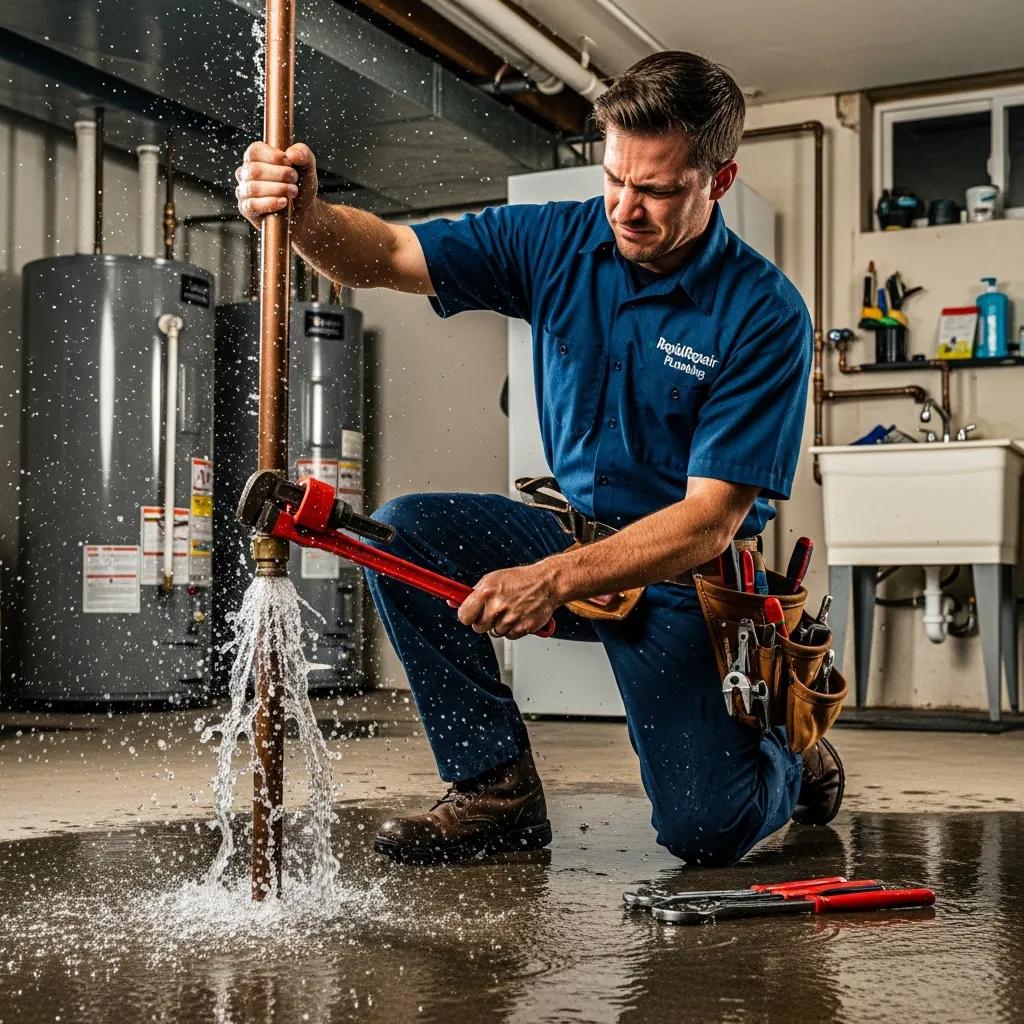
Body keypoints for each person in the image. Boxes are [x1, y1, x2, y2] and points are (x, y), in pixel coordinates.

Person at [235, 50, 843, 867]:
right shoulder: (556, 240)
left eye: (657, 190)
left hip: (681, 578)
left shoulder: (764, 315)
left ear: (718, 181)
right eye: (616, 178)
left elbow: (709, 519)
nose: (626, 209)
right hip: (572, 533)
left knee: (706, 833)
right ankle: (496, 794)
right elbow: (384, 255)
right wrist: (306, 218)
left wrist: (553, 580)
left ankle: (792, 756)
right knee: (401, 532)